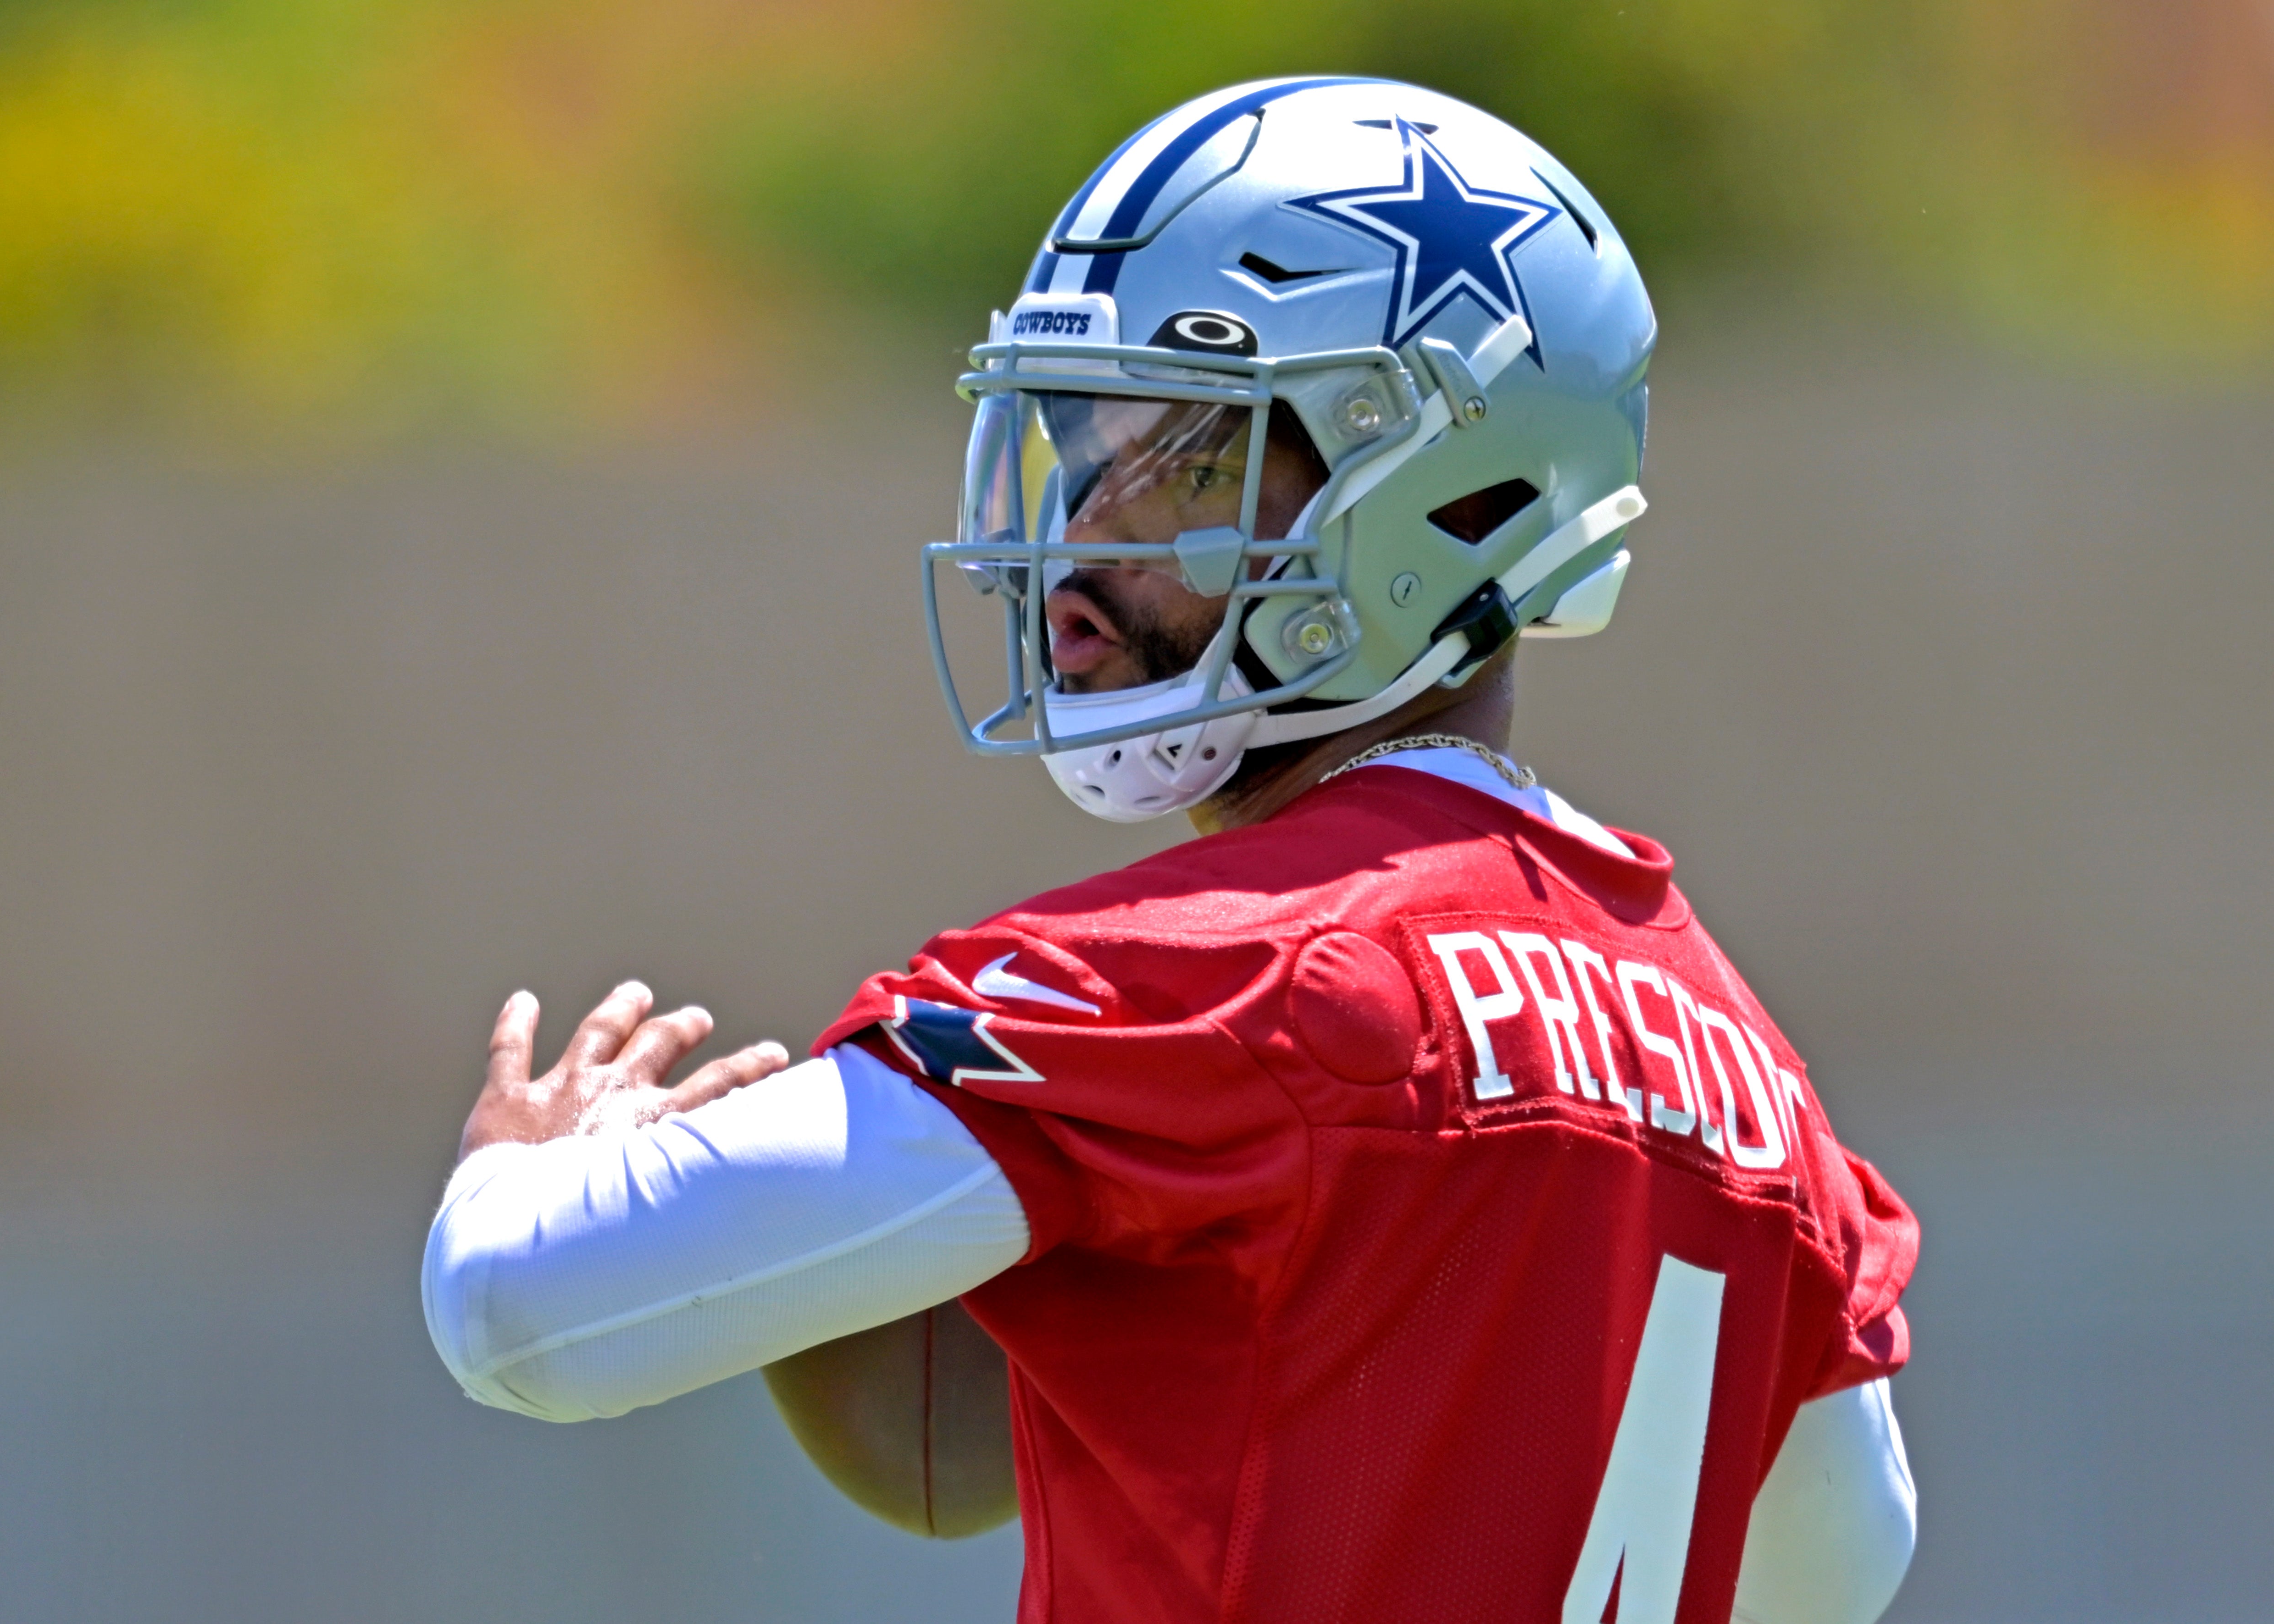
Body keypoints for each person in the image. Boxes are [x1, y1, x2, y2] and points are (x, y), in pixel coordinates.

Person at [423, 78, 1920, 1624]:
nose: (1077, 552)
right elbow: (1842, 1571)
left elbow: (520, 1310)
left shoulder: (1218, 985)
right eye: (1083, 457)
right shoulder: (1767, 1098)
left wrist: (536, 1163)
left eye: (1191, 463)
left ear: (1450, 496)